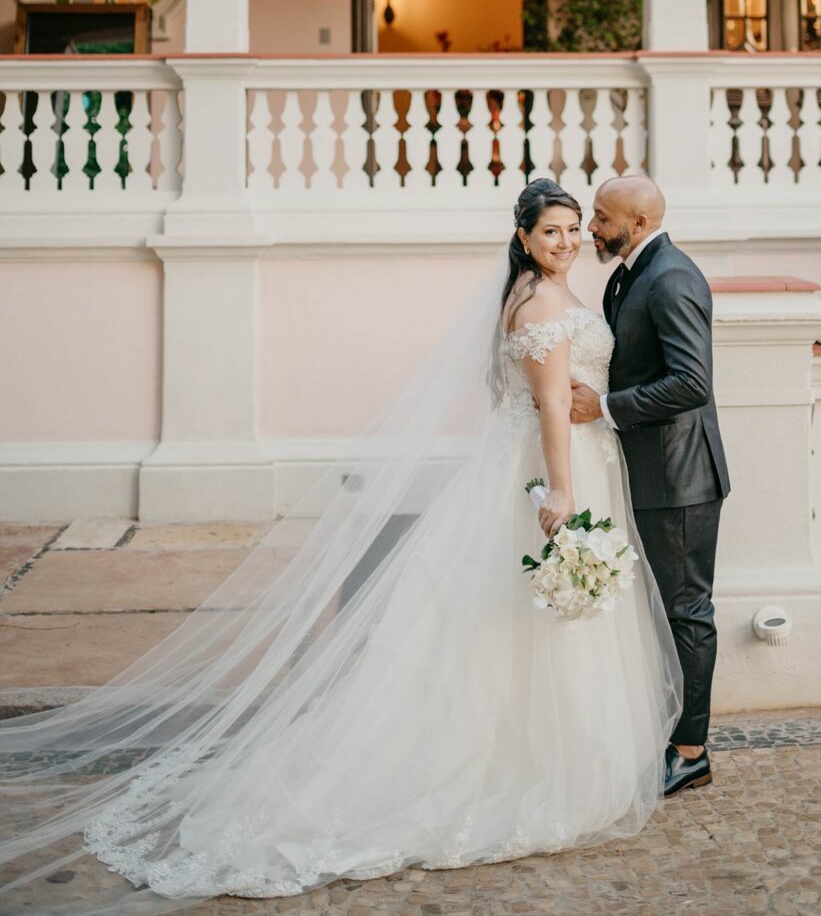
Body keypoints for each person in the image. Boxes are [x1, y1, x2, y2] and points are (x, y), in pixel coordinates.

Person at [0, 178, 680, 909]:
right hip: (555, 472)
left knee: (511, 617)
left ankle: (553, 751)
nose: (569, 240)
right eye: (552, 230)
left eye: (576, 227)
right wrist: (562, 490)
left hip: (561, 463)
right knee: (526, 619)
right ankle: (534, 762)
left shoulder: (541, 294)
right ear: (522, 239)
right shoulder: (543, 303)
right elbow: (549, 402)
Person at [571, 176, 729, 796]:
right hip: (645, 471)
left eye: (601, 218)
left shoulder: (672, 278)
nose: (591, 227)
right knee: (657, 614)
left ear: (635, 224)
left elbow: (692, 383)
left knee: (687, 613)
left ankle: (691, 751)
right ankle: (663, 730)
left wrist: (604, 408)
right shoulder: (628, 273)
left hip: (681, 477)